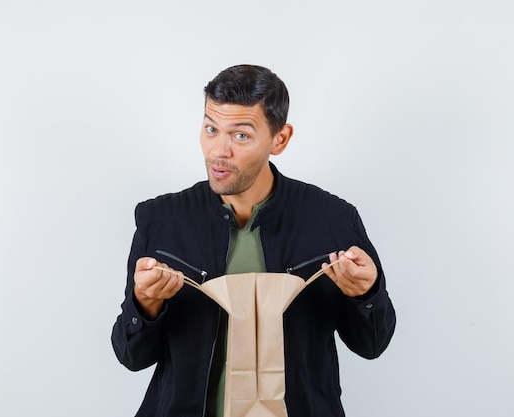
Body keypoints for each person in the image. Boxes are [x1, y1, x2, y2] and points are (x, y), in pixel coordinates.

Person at [111, 64, 396, 417]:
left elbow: (372, 344)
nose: (218, 151)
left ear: (280, 138)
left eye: (241, 135)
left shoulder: (333, 220)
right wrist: (145, 304)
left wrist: (366, 295)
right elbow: (131, 356)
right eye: (211, 129)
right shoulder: (162, 220)